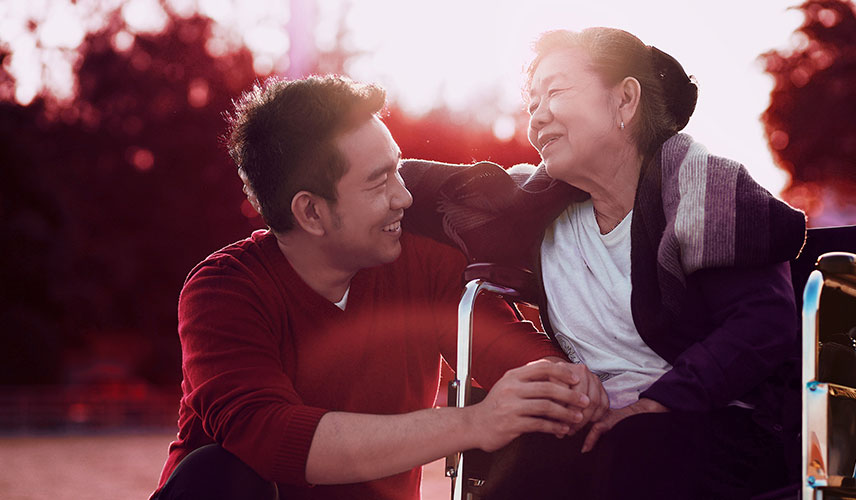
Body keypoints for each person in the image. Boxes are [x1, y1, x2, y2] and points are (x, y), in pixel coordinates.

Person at [149, 75, 609, 500]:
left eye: (397, 171)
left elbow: (511, 353)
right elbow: (273, 436)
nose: (404, 198)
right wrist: (472, 422)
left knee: (543, 429)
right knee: (218, 473)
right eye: (378, 182)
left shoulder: (422, 266)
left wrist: (562, 381)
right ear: (310, 212)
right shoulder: (223, 292)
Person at [401, 27, 807, 498]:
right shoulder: (536, 210)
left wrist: (659, 403)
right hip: (593, 429)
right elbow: (413, 186)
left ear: (625, 100)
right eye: (532, 103)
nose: (537, 116)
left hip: (710, 421)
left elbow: (764, 322)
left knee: (621, 452)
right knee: (527, 459)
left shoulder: (702, 186)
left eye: (555, 91)